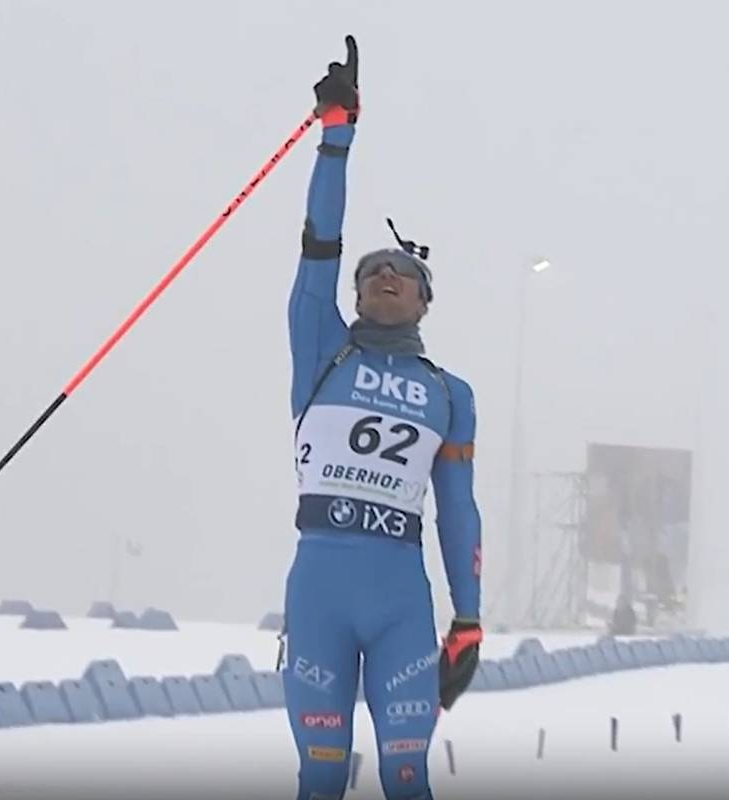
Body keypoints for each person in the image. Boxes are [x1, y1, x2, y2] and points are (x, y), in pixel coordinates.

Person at [280, 36, 483, 800]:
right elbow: (319, 248)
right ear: (355, 294)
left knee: (406, 776)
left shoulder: (449, 392)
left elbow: (457, 509)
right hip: (320, 592)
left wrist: (469, 618)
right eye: (372, 272)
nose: (385, 275)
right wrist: (337, 134)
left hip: (401, 600)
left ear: (425, 301)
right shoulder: (321, 347)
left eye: (402, 272)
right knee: (321, 775)